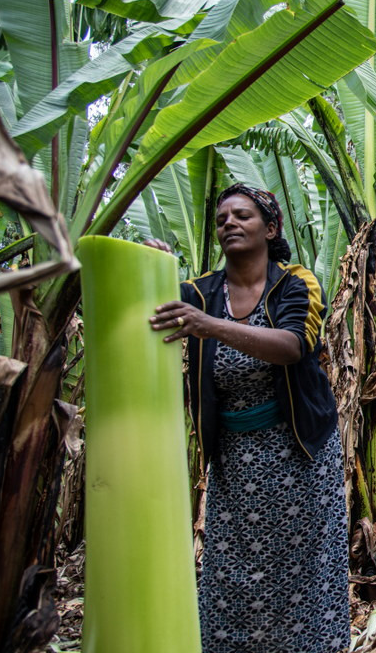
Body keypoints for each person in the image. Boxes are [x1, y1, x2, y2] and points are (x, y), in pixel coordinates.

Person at [149, 184, 350, 652]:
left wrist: (210, 325)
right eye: (222, 220)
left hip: (299, 455)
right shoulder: (201, 291)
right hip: (236, 462)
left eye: (242, 216)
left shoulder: (295, 283)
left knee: (303, 577)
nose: (230, 224)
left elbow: (293, 345)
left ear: (271, 228)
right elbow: (153, 307)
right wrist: (154, 263)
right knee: (231, 574)